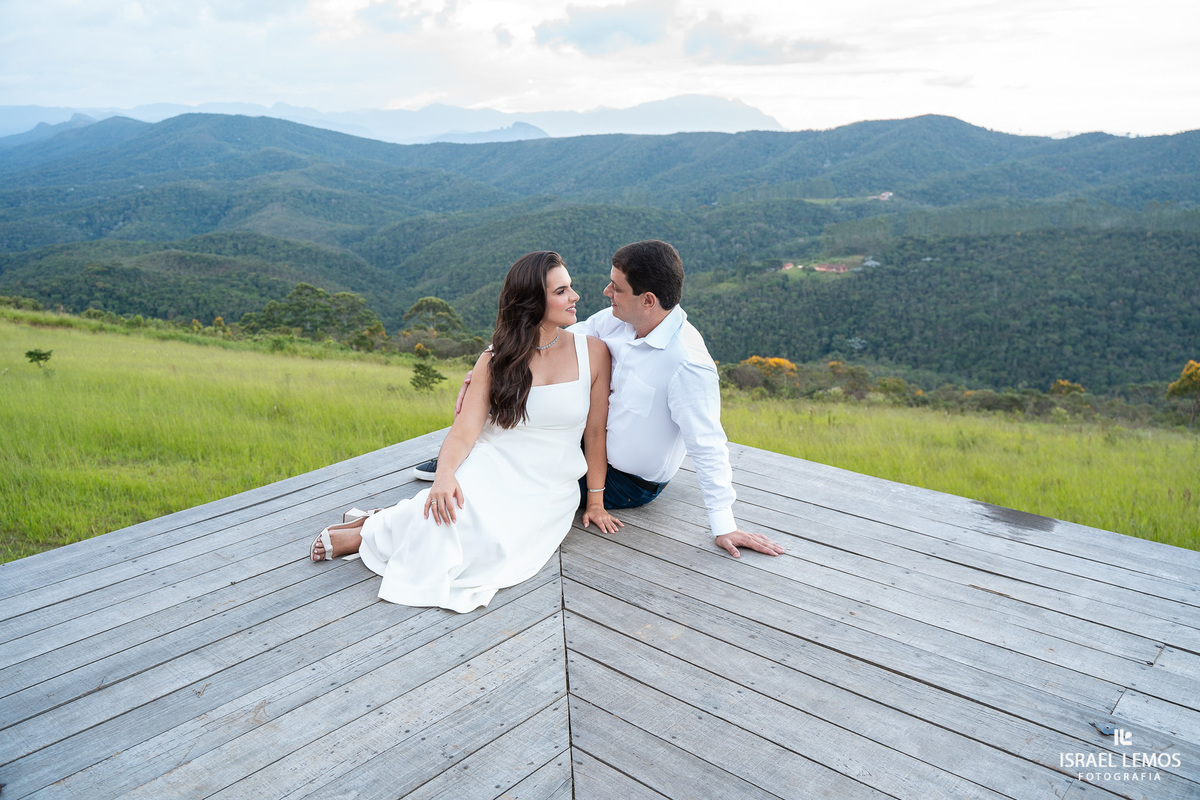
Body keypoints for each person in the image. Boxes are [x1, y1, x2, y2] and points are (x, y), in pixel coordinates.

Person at [419, 240, 784, 559]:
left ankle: (461, 469)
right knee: (506, 449)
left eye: (616, 287)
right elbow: (545, 339)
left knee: (510, 482)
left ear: (648, 300)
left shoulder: (686, 364)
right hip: (584, 446)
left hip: (626, 481)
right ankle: (460, 463)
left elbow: (708, 445)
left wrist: (724, 525)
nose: (606, 292)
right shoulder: (614, 322)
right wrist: (485, 366)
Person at [309, 251, 619, 613]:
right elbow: (464, 431)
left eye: (571, 287)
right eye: (562, 291)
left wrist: (595, 502)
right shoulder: (495, 359)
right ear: (533, 302)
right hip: (494, 461)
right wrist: (443, 475)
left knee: (495, 544)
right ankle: (372, 530)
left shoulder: (594, 353)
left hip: (549, 485)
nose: (575, 296)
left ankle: (378, 524)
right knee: (448, 511)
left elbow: (596, 433)